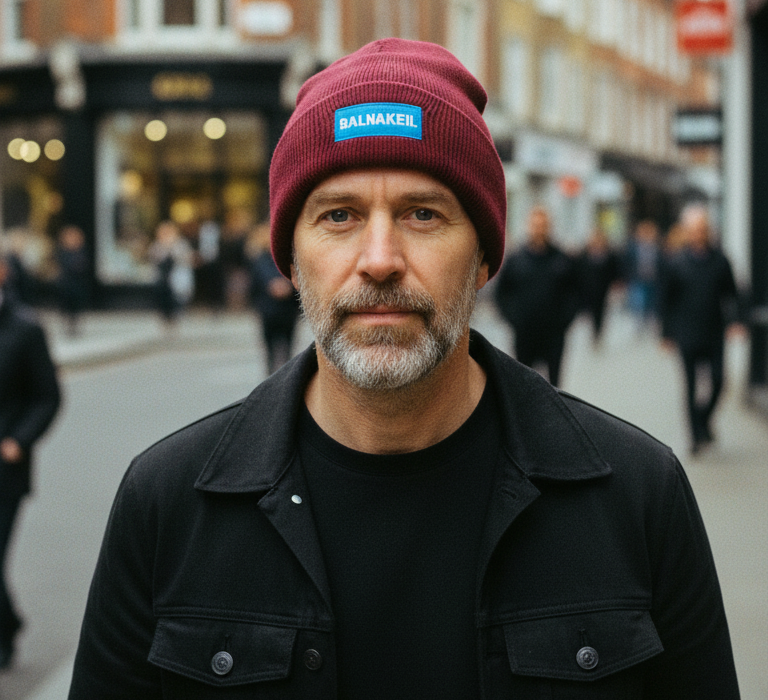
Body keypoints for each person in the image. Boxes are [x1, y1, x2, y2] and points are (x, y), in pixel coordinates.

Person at [69, 39, 739, 699]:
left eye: (423, 214)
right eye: (339, 215)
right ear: (291, 263)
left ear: (483, 257)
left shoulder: (637, 496)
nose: (381, 258)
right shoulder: (167, 504)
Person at [0, 253, 61, 669]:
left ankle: (4, 635)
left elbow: (48, 397)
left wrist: (19, 440)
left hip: (4, 469)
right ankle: (9, 623)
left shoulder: (25, 329)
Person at [658, 205, 744, 453]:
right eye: (694, 230)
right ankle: (695, 436)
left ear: (709, 231)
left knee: (719, 381)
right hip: (686, 334)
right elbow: (666, 301)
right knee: (691, 386)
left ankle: (704, 419)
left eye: (703, 229)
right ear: (687, 232)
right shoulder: (677, 263)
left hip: (714, 332)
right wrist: (667, 334)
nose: (699, 234)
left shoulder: (720, 260)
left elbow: (733, 293)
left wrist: (736, 320)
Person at [494, 207, 579, 386]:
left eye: (543, 225)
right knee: (523, 384)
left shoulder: (562, 259)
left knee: (555, 386)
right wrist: (514, 319)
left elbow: (575, 293)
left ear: (549, 227)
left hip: (554, 334)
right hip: (525, 333)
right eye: (535, 225)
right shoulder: (517, 259)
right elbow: (502, 294)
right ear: (529, 226)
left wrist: (564, 321)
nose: (539, 229)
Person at [248, 223, 300, 374]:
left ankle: (287, 380)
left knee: (288, 349)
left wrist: (287, 286)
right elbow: (256, 284)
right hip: (268, 310)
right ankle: (273, 380)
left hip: (287, 310)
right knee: (270, 349)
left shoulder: (290, 258)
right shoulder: (260, 260)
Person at [577, 228, 622, 345]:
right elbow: (580, 269)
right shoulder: (585, 252)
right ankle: (593, 331)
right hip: (587, 288)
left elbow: (615, 270)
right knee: (589, 312)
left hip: (602, 288)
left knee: (600, 313)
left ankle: (597, 333)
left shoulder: (609, 254)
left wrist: (616, 283)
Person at [149, 221, 194, 324]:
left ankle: (175, 318)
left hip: (177, 279)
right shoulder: (157, 245)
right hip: (162, 280)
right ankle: (166, 318)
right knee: (163, 300)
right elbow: (154, 259)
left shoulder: (180, 244)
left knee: (177, 300)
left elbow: (186, 259)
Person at [624, 219, 661, 330]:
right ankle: (638, 324)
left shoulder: (657, 247)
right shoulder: (633, 247)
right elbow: (627, 263)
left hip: (653, 279)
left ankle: (649, 322)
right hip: (638, 279)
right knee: (638, 302)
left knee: (651, 302)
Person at [55, 225, 89, 337]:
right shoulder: (62, 252)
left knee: (76, 307)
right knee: (67, 308)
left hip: (77, 285)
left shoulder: (81, 251)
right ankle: (69, 326)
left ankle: (74, 326)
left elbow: (83, 266)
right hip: (66, 285)